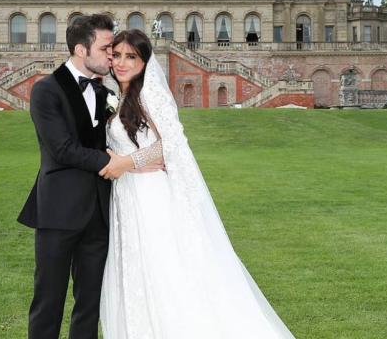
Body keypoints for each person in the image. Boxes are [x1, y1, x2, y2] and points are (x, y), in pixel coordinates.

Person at [99, 29, 296, 338]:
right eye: (118, 55)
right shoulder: (118, 96)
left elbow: (173, 143)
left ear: (144, 61)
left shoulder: (149, 94)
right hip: (125, 196)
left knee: (161, 271)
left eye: (131, 57)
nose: (122, 63)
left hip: (150, 195)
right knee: (135, 273)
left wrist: (127, 162)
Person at [17, 15, 159, 339]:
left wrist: (136, 158)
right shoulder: (46, 90)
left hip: (98, 212)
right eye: (106, 47)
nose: (112, 55)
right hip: (58, 212)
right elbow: (62, 149)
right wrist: (117, 162)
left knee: (90, 305)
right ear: (82, 49)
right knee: (48, 301)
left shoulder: (105, 90)